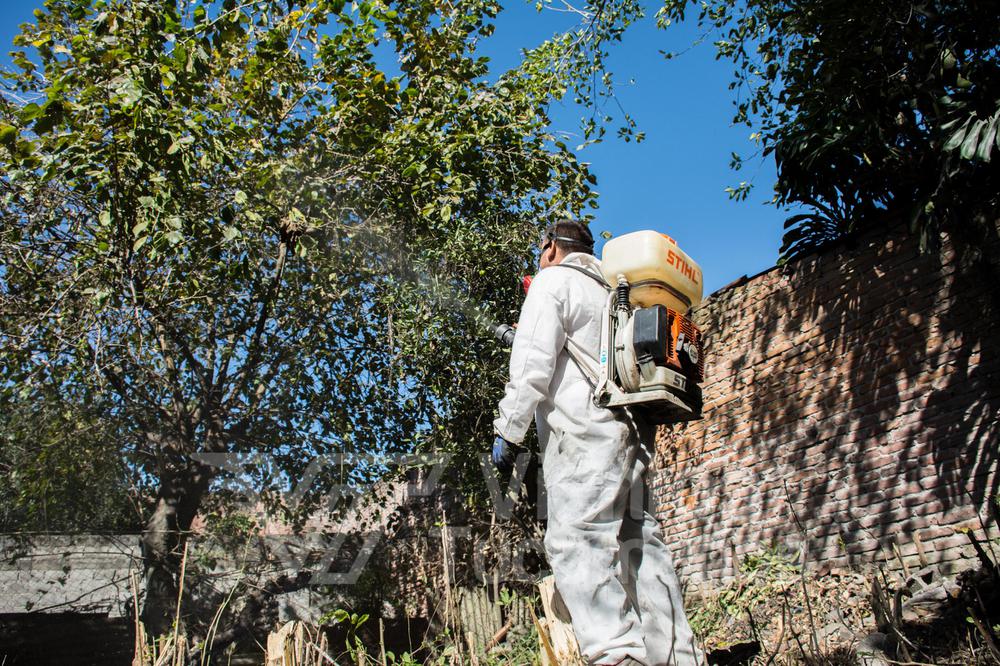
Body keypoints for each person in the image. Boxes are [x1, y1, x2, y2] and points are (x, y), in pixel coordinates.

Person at [491, 220, 704, 666]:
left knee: (577, 538)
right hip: (632, 432)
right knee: (638, 539)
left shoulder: (552, 283)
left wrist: (508, 432)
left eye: (540, 249)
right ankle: (679, 656)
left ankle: (616, 654)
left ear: (550, 248)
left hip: (585, 436)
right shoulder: (613, 291)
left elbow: (532, 365)